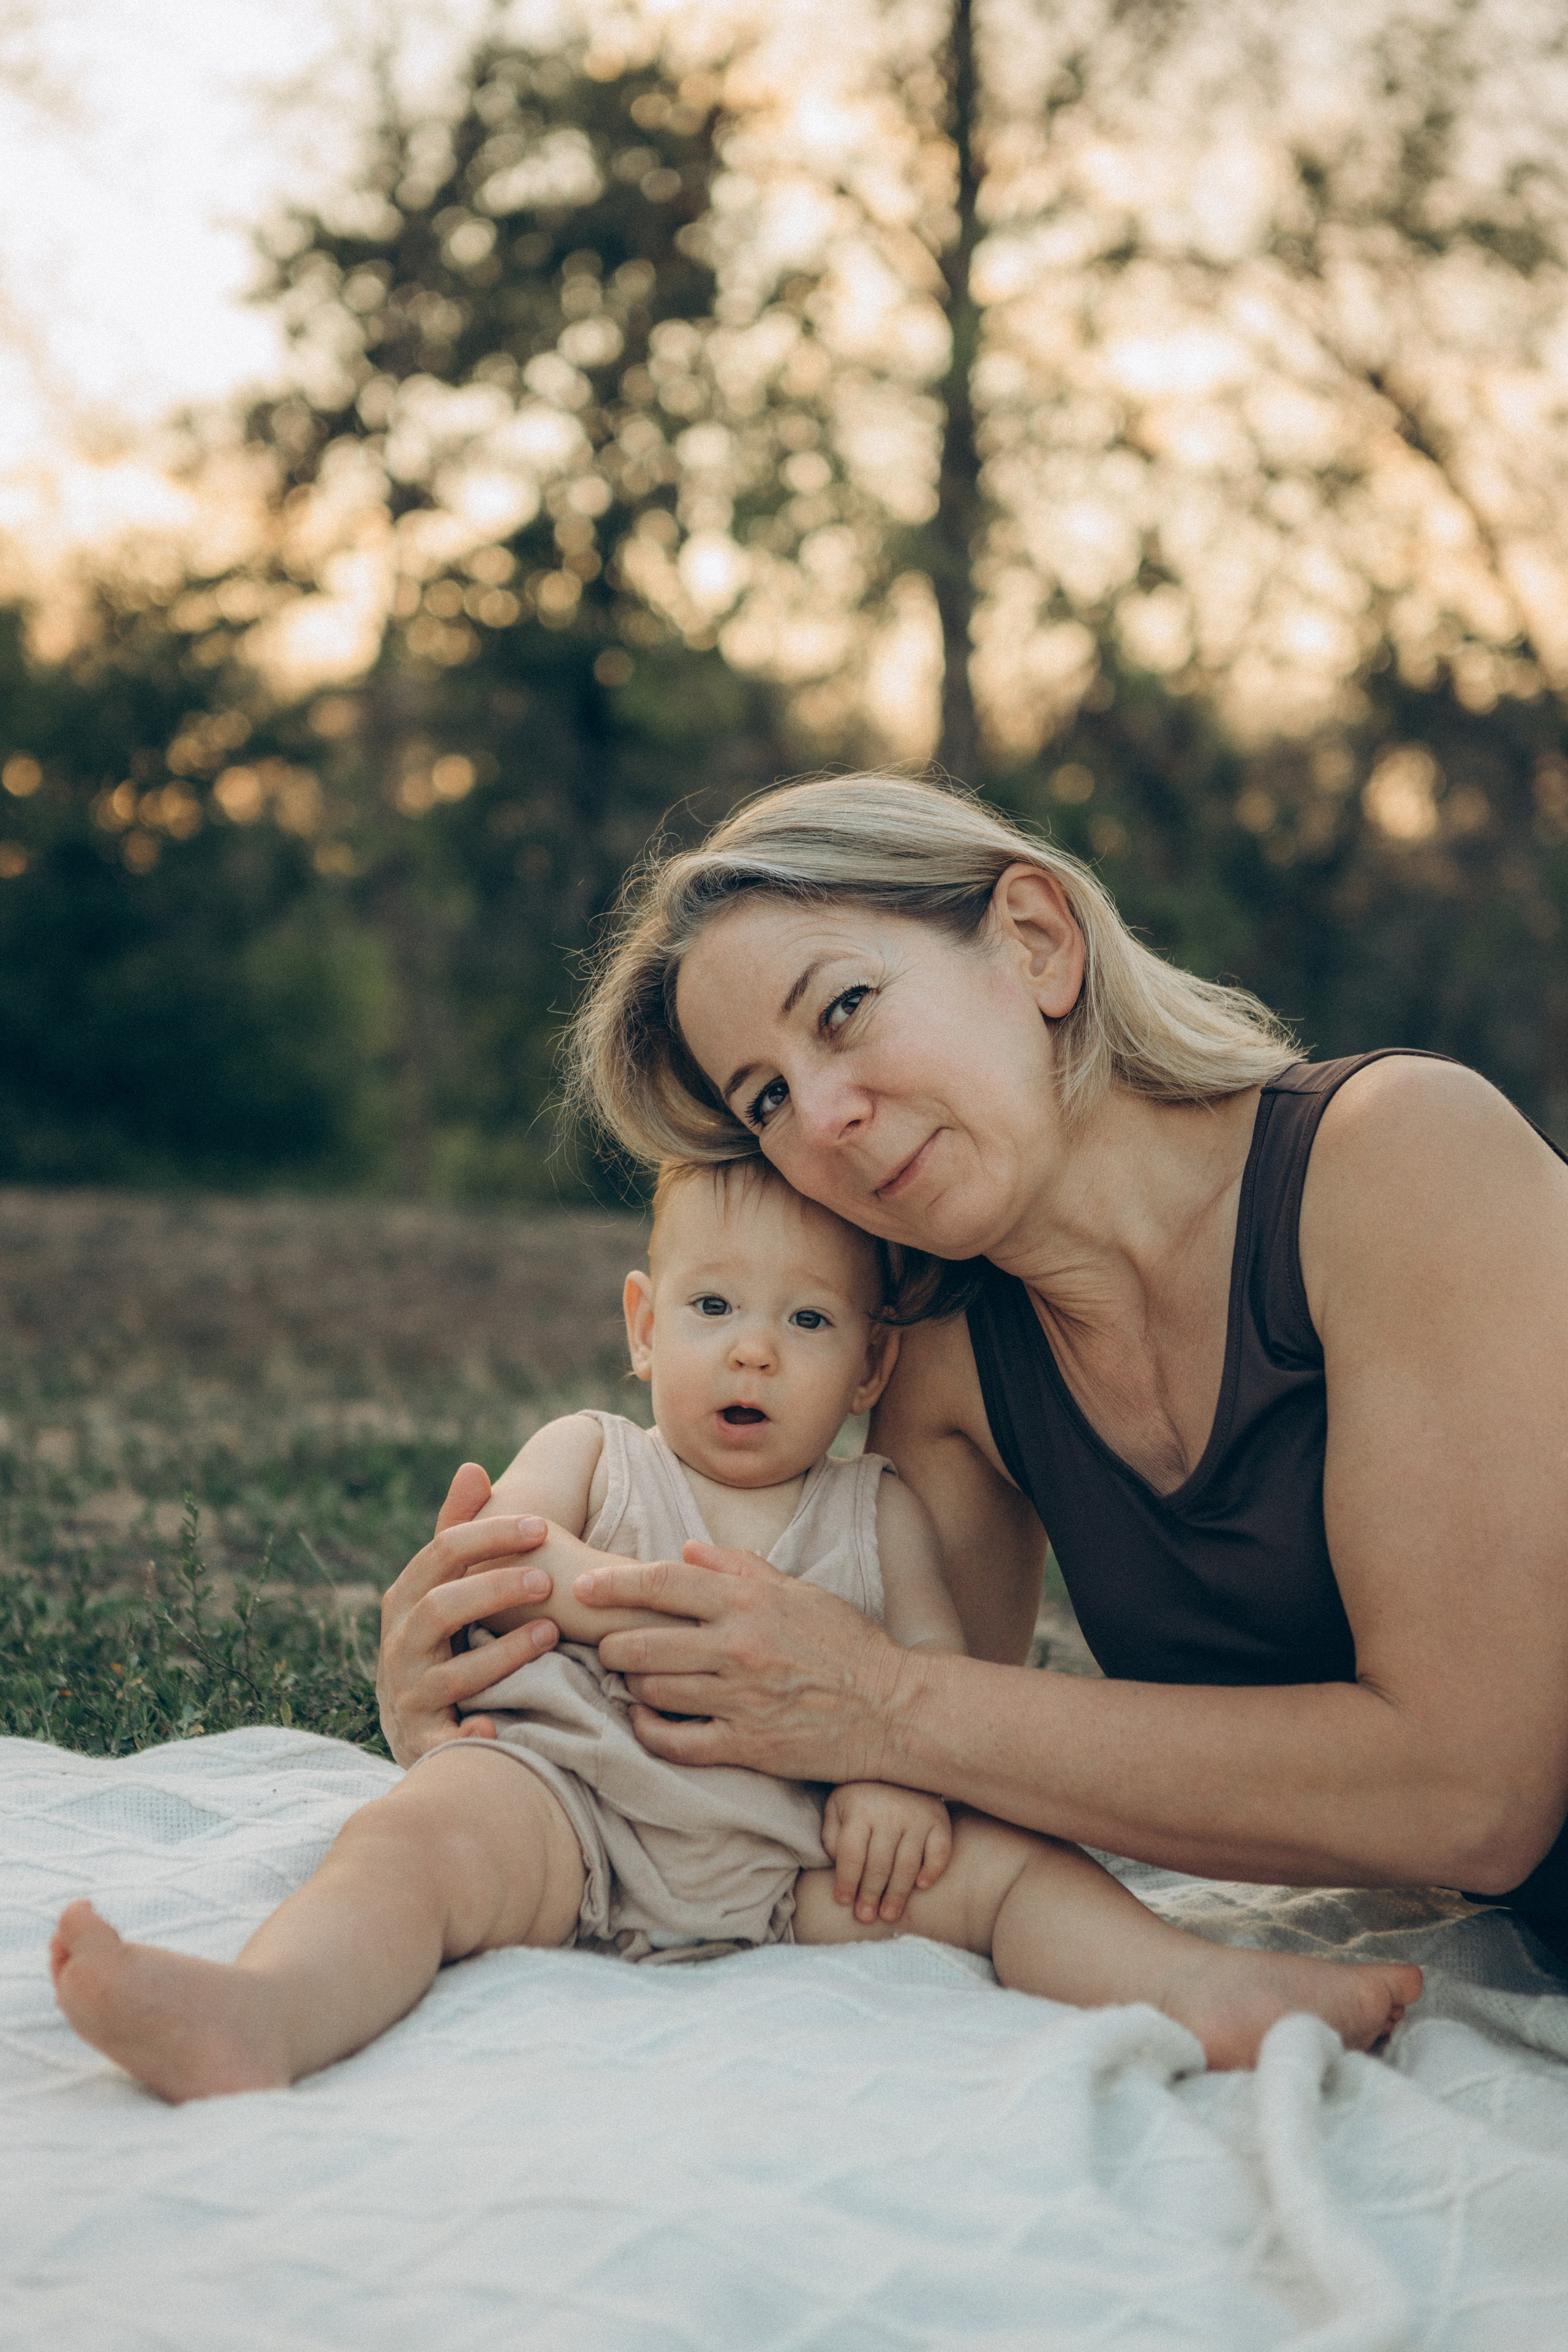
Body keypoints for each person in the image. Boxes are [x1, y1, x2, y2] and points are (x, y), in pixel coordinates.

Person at [377, 772, 1568, 1967]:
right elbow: (862, 1762)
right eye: (768, 1097)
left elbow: (1474, 1794)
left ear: (1036, 942)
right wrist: (497, 1698)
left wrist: (889, 1704)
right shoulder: (953, 1351)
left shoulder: (1403, 1156)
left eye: (843, 1008)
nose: (821, 1120)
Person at [50, 1158, 1419, 2100]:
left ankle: (1192, 1986)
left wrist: (893, 1781)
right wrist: (613, 1593)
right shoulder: (591, 1453)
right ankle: (267, 2012)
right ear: (645, 1326)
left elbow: (934, 1678)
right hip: (568, 1809)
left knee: (1013, 1870)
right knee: (413, 1843)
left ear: (870, 1366)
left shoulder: (877, 1506)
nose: (752, 1349)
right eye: (713, 1308)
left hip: (798, 1852)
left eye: (806, 1319)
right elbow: (494, 1560)